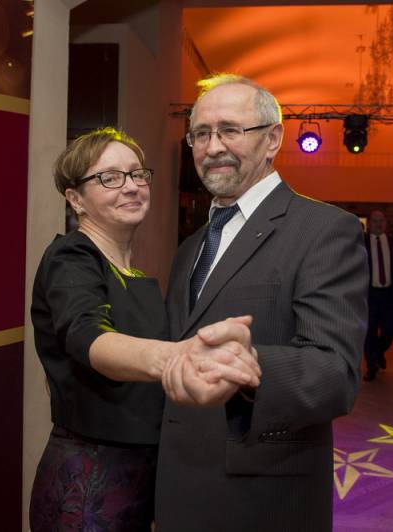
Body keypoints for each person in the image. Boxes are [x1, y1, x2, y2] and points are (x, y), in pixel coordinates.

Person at [156, 74, 369, 532]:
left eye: (230, 130)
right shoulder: (189, 248)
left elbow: (335, 372)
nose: (213, 147)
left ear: (273, 139)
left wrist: (250, 365)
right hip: (181, 486)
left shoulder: (324, 230)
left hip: (262, 497)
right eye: (200, 134)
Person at [28, 128, 262, 531]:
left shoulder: (133, 274)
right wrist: (179, 356)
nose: (131, 186)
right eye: (109, 177)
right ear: (75, 199)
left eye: (137, 174)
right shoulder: (71, 256)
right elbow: (88, 336)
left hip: (140, 474)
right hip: (90, 484)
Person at [363, 210, 393, 380]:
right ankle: (371, 365)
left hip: (390, 295)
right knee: (369, 331)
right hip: (368, 295)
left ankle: (378, 351)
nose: (378, 223)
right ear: (369, 224)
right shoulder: (359, 244)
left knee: (390, 330)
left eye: (381, 220)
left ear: (386, 223)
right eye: (375, 220)